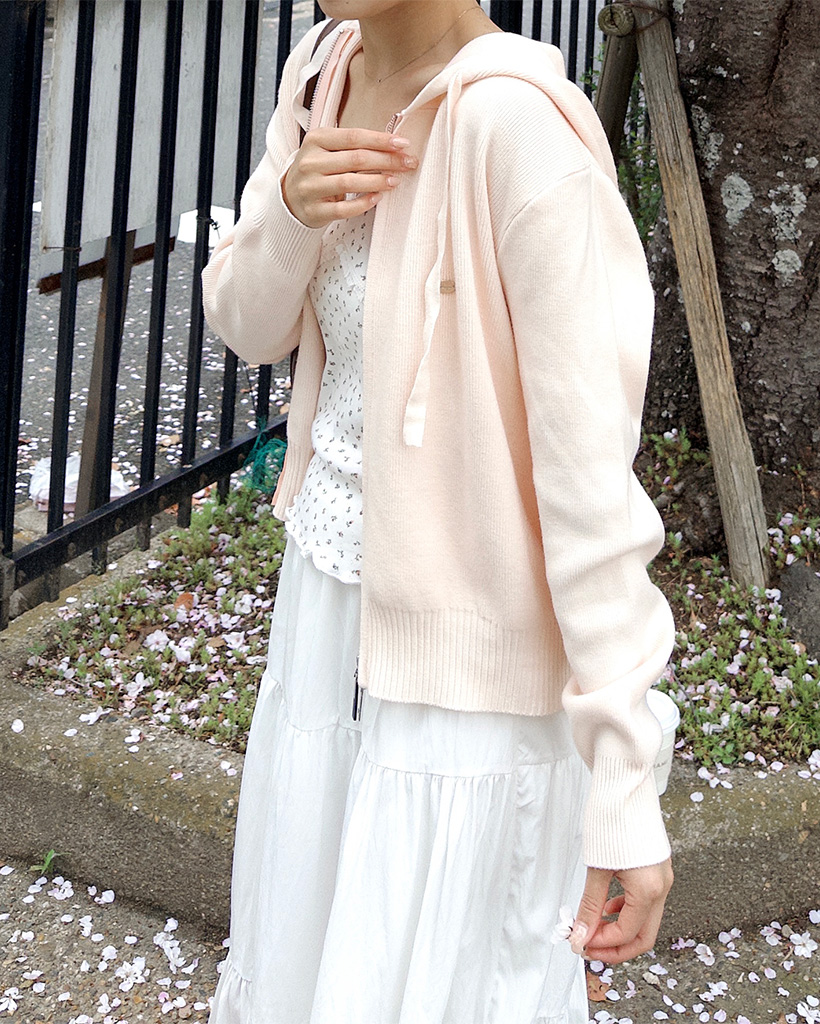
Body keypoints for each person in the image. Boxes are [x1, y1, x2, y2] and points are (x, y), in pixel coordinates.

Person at [201, 2, 675, 1021]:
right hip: (326, 616)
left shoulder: (518, 128)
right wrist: (290, 212)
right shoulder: (326, 69)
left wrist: (623, 785)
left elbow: (589, 482)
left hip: (468, 679)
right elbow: (247, 325)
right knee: (306, 959)